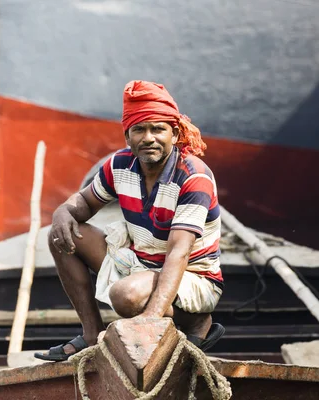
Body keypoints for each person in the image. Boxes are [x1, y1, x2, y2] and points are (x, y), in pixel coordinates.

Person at [35, 80, 225, 361]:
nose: (148, 138)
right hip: (141, 263)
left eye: (158, 129)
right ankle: (91, 335)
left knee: (125, 296)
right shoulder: (120, 165)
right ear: (127, 136)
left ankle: (195, 321)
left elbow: (179, 252)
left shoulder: (193, 176)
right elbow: (84, 204)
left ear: (174, 134)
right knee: (60, 234)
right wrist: (63, 211)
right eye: (139, 130)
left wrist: (149, 320)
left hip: (194, 277)